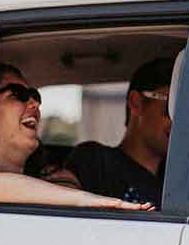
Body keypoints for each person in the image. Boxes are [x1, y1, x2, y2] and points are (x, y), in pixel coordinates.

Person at [0, 63, 152, 210]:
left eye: (35, 96)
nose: (34, 103)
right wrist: (92, 201)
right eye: (19, 95)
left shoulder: (57, 177)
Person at [65, 58, 173, 208]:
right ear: (137, 103)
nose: (180, 121)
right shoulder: (96, 162)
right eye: (172, 107)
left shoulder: (182, 181)